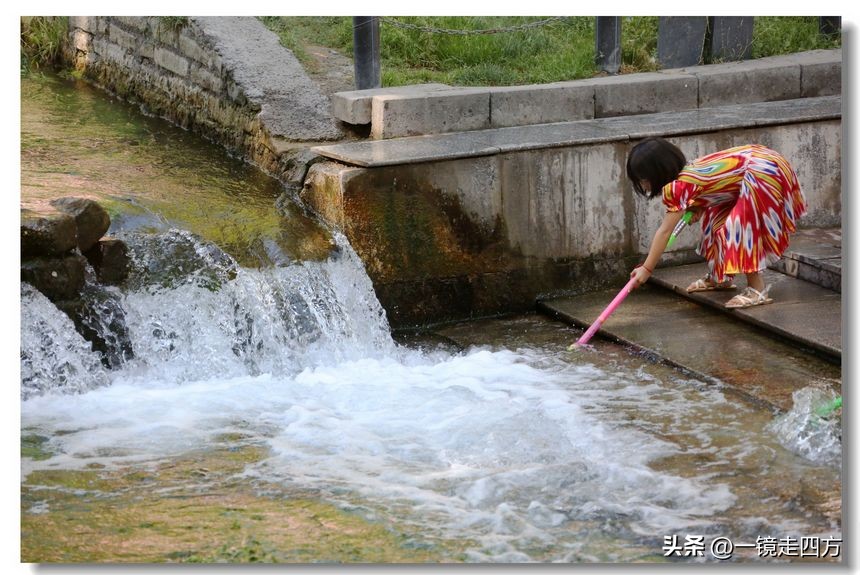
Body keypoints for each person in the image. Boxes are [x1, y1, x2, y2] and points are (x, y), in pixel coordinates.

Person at [625, 137, 807, 308]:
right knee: (715, 221)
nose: (643, 186)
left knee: (740, 226)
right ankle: (720, 277)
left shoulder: (679, 187)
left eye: (643, 180)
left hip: (763, 170)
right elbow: (715, 187)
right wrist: (697, 207)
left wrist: (647, 269)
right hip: (760, 162)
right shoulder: (687, 174)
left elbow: (665, 231)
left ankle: (756, 289)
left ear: (657, 173)